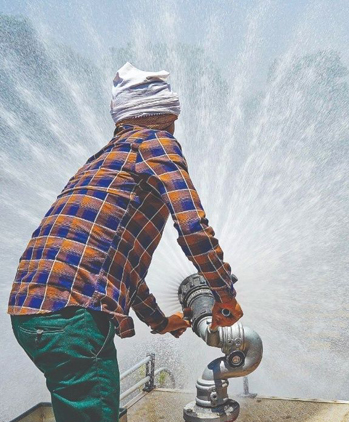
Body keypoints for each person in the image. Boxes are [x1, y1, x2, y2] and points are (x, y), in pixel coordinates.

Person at [8, 63, 244, 422]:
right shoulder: (157, 143)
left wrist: (160, 321)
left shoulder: (101, 162)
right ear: (166, 118)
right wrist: (224, 294)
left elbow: (114, 265)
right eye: (173, 120)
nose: (176, 128)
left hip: (32, 315)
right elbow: (193, 226)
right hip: (74, 317)